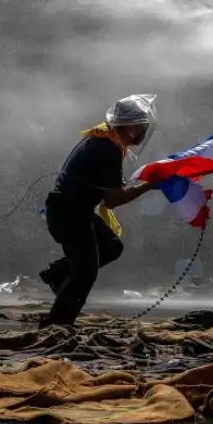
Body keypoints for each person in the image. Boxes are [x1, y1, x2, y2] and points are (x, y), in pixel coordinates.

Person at [38, 94, 160, 328]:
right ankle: (56, 325)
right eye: (142, 127)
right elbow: (113, 200)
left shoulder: (105, 138)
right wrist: (151, 185)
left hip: (75, 210)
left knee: (112, 246)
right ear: (132, 128)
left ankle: (57, 275)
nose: (144, 133)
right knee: (85, 273)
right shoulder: (106, 148)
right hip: (69, 213)